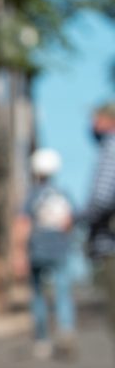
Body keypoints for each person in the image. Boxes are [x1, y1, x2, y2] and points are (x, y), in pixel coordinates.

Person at [15, 148, 77, 360]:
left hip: (37, 251)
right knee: (62, 292)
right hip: (60, 250)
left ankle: (42, 339)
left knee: (39, 296)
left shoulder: (32, 195)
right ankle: (65, 328)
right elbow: (69, 222)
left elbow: (23, 224)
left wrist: (20, 253)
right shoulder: (63, 193)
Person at [78, 104, 115, 330]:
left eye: (96, 120)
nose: (92, 126)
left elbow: (101, 198)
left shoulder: (110, 148)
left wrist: (77, 217)